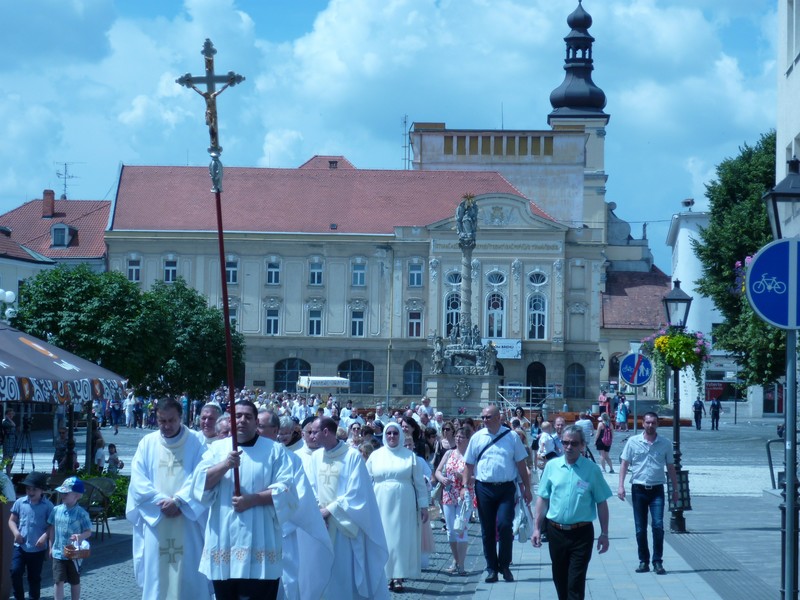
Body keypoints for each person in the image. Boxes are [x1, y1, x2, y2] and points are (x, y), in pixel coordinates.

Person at [193, 399, 297, 600]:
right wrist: (225, 464)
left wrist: (252, 500)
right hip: (224, 538)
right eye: (237, 416)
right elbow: (199, 484)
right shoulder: (217, 449)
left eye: (248, 416)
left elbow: (287, 490)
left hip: (261, 538)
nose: (242, 420)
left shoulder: (275, 450)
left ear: (256, 421)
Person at [126, 397, 211, 600]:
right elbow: (138, 481)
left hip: (188, 520)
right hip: (157, 519)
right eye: (161, 421)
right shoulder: (147, 443)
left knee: (189, 573)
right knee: (157, 575)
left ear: (181, 417)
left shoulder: (197, 441)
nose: (166, 426)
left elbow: (204, 475)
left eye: (171, 420)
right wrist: (163, 503)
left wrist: (180, 501)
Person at [307, 417, 389, 600]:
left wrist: (329, 511)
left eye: (314, 431)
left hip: (344, 526)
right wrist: (317, 511)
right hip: (322, 524)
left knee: (342, 573)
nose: (311, 435)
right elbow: (310, 486)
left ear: (326, 432)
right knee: (321, 571)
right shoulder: (315, 457)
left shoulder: (351, 456)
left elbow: (357, 493)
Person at [531, 426, 611, 600]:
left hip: (581, 534)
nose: (569, 447)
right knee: (560, 579)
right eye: (565, 442)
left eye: (574, 443)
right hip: (556, 532)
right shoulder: (552, 466)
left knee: (575, 582)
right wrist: (536, 528)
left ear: (582, 445)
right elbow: (543, 498)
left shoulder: (592, 470)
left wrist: (604, 533)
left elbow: (602, 503)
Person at [261, 415, 334, 600]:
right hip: (253, 530)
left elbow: (300, 497)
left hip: (283, 531)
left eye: (262, 427)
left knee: (286, 582)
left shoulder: (291, 459)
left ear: (275, 431)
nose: (258, 431)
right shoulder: (243, 455)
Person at [463, 404, 532, 583]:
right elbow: (468, 464)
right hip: (484, 487)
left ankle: (505, 565)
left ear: (498, 417)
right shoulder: (477, 437)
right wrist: (465, 486)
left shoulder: (511, 437)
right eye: (483, 417)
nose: (485, 420)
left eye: (488, 417)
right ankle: (491, 568)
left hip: (506, 488)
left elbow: (521, 465)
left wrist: (527, 488)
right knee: (487, 529)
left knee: (504, 525)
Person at [367, 422, 429, 592]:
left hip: (404, 504)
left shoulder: (410, 456)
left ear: (400, 435)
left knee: (400, 539)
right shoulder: (376, 455)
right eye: (389, 433)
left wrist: (424, 506)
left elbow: (419, 484)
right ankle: (385, 575)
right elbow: (366, 481)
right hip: (380, 502)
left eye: (395, 433)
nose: (392, 436)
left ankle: (398, 576)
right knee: (384, 538)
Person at [617, 412, 679, 575]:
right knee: (640, 528)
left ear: (657, 424)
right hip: (638, 489)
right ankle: (643, 561)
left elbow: (670, 467)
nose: (650, 425)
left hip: (657, 489)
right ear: (642, 423)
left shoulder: (665, 443)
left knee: (658, 526)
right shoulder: (633, 442)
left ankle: (657, 561)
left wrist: (675, 489)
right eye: (648, 423)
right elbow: (624, 464)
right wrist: (620, 486)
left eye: (653, 423)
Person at [434, 424, 473, 576]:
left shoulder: (471, 456)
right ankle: (456, 560)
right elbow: (437, 470)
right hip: (448, 494)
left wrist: (463, 477)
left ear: (468, 439)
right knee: (450, 530)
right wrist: (442, 478)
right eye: (456, 436)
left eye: (462, 437)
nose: (458, 439)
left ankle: (461, 564)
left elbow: (477, 477)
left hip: (464, 494)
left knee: (461, 528)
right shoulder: (449, 453)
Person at [9, 471, 54, 600]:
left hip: (37, 547)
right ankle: (19, 597)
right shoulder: (20, 502)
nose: (31, 492)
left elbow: (51, 525)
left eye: (34, 489)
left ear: (42, 490)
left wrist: (45, 536)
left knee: (34, 577)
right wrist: (16, 532)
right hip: (20, 545)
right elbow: (11, 520)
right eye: (28, 488)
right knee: (15, 571)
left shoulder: (48, 506)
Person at [47, 476, 92, 600]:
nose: (63, 495)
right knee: (58, 580)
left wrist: (80, 536)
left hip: (74, 554)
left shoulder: (81, 513)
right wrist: (50, 547)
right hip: (58, 552)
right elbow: (51, 528)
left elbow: (88, 531)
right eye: (62, 492)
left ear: (77, 495)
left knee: (74, 580)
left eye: (66, 493)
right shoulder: (56, 510)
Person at [3, 408, 17, 473]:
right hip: (7, 442)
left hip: (12, 442)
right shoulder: (5, 422)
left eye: (12, 414)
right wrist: (8, 418)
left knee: (10, 460)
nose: (11, 415)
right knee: (6, 459)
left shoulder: (10, 421)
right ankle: (1, 471)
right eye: (9, 414)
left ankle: (8, 474)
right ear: (6, 415)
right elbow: (13, 425)